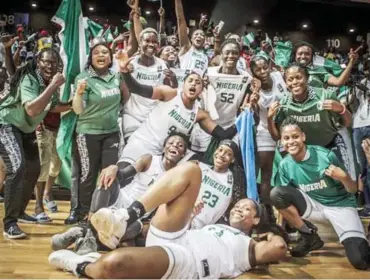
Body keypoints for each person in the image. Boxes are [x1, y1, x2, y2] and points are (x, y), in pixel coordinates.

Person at [49, 162, 287, 279]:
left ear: (255, 220)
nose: (238, 209)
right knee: (192, 171)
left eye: (246, 209)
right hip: (177, 234)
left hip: (188, 261)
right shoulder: (219, 225)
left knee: (112, 266)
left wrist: (270, 233)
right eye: (238, 205)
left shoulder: (250, 247)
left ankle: (79, 264)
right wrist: (189, 216)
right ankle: (126, 215)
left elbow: (278, 247)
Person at [51, 133, 188, 253]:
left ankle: (83, 234)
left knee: (134, 230)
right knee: (108, 177)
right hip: (120, 198)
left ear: (183, 154)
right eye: (171, 143)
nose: (175, 146)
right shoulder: (150, 159)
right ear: (164, 148)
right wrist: (114, 168)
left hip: (135, 215)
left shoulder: (177, 177)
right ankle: (89, 237)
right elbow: (123, 175)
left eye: (180, 145)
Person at [270, 119, 369, 270]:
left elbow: (352, 190)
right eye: (286, 138)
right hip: (314, 205)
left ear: (303, 137)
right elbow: (284, 198)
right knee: (276, 193)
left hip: (340, 206)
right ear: (282, 141)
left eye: (295, 136)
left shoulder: (325, 156)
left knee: (360, 261)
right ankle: (309, 236)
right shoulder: (285, 164)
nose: (291, 141)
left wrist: (344, 177)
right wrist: (282, 230)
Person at [0, 46, 67, 238]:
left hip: (26, 129)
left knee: (35, 169)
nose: (50, 65)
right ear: (38, 61)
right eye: (46, 61)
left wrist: (75, 104)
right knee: (17, 167)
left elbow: (52, 107)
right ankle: (10, 224)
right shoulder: (30, 78)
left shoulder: (48, 82)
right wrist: (53, 86)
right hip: (7, 124)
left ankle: (20, 212)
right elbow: (32, 109)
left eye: (54, 62)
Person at [65, 40, 129, 224]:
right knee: (88, 175)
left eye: (105, 53)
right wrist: (78, 92)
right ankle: (83, 215)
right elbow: (77, 110)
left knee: (108, 174)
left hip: (111, 133)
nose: (101, 55)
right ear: (90, 58)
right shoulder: (83, 78)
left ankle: (102, 213)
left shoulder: (116, 77)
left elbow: (126, 99)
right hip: (87, 133)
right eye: (96, 53)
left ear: (110, 58)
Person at [119, 69, 238, 166]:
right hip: (142, 143)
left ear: (201, 90)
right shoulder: (170, 93)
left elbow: (224, 135)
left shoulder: (200, 114)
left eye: (198, 83)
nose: (193, 84)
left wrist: (246, 114)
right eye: (190, 81)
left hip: (167, 154)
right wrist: (125, 71)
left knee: (204, 167)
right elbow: (137, 88)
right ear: (183, 85)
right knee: (121, 177)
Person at [267, 63, 355, 179]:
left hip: (331, 146)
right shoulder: (284, 105)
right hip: (306, 154)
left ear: (307, 78)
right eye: (290, 79)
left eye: (299, 77)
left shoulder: (324, 96)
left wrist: (341, 108)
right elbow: (277, 137)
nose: (295, 82)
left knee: (343, 182)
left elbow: (347, 123)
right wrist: (269, 119)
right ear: (285, 83)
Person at [190, 39, 254, 155]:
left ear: (239, 55)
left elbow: (246, 104)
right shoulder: (209, 73)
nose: (231, 56)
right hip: (206, 128)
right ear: (221, 54)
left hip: (231, 127)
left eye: (235, 53)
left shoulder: (246, 78)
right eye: (227, 52)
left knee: (224, 164)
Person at [250, 54, 287, 220]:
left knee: (290, 170)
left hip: (286, 129)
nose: (263, 71)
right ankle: (267, 213)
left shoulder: (279, 76)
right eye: (258, 69)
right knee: (266, 173)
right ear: (252, 72)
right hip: (265, 130)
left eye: (265, 67)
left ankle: (291, 211)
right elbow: (255, 116)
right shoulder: (254, 90)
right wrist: (254, 95)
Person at [175, 0, 209, 77]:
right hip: (183, 85)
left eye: (202, 35)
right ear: (191, 39)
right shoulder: (187, 47)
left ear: (204, 40)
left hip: (198, 86)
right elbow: (180, 19)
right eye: (196, 34)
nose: (199, 36)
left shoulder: (205, 56)